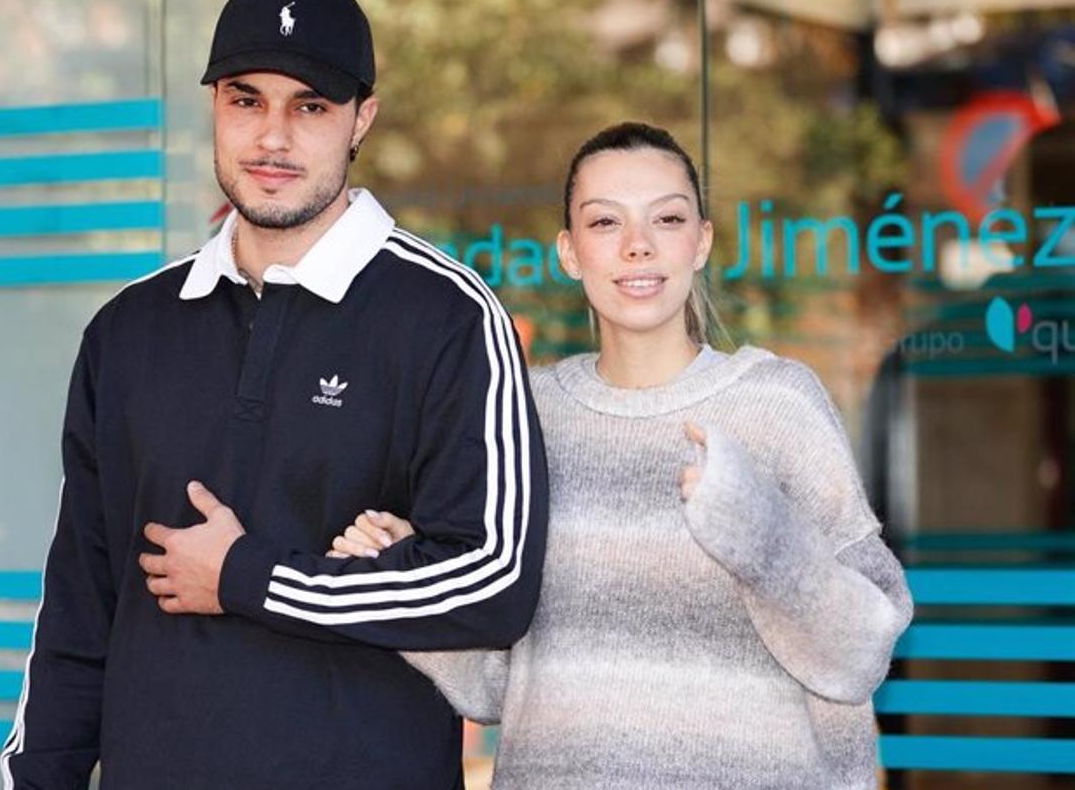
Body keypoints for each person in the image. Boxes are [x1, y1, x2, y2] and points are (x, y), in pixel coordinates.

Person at [0, 0, 548, 790]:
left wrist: (246, 576)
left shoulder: (447, 318)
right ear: (215, 106)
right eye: (246, 100)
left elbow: (496, 582)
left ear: (362, 117)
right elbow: (81, 606)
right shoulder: (130, 331)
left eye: (310, 106)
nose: (272, 138)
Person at [331, 122, 914, 789]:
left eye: (667, 218)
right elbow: (496, 689)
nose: (638, 246)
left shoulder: (776, 406)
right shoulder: (525, 416)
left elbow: (862, 650)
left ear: (702, 242)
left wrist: (758, 531)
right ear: (570, 252)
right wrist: (408, 578)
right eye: (605, 222)